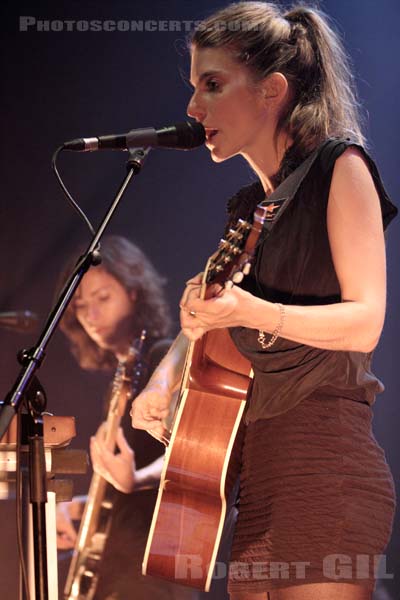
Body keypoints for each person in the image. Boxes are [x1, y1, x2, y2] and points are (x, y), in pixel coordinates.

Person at [130, 3, 397, 600]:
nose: (193, 110)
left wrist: (249, 311)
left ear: (272, 90)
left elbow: (366, 322)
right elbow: (219, 322)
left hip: (327, 463)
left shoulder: (340, 166)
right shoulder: (249, 207)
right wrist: (167, 376)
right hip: (259, 471)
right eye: (193, 88)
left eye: (212, 85)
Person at [56, 235, 192, 600]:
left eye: (102, 298)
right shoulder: (119, 380)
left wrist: (136, 479)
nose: (91, 316)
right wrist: (84, 507)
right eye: (81, 307)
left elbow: (195, 457)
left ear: (134, 292)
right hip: (119, 557)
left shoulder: (164, 361)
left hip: (155, 561)